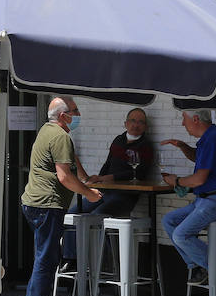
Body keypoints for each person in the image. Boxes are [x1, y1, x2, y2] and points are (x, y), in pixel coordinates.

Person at [20, 96, 101, 296]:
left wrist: (83, 176)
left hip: (34, 202)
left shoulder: (47, 131)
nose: (79, 115)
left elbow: (68, 158)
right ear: (64, 116)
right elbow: (64, 176)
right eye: (75, 111)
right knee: (48, 257)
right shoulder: (60, 136)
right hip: (48, 204)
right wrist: (88, 192)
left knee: (42, 255)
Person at [61, 108, 156, 267]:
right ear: (125, 123)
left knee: (98, 216)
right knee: (73, 212)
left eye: (141, 122)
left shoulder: (145, 145)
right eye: (133, 120)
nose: (136, 125)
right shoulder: (118, 140)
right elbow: (108, 164)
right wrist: (97, 180)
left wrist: (109, 178)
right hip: (105, 191)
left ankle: (102, 266)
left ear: (145, 126)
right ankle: (72, 259)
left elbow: (139, 173)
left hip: (125, 196)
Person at [161, 110, 216, 284]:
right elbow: (199, 158)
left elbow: (199, 179)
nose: (183, 123)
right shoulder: (209, 138)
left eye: (184, 119)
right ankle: (199, 265)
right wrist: (182, 146)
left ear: (195, 119)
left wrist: (177, 181)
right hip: (206, 200)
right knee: (169, 220)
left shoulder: (212, 138)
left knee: (181, 235)